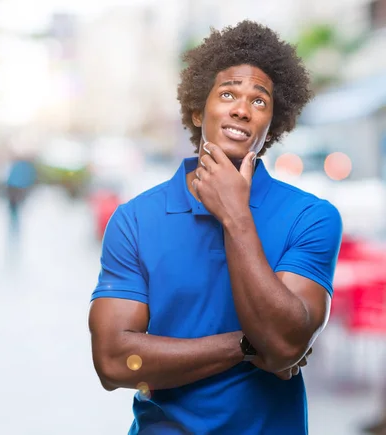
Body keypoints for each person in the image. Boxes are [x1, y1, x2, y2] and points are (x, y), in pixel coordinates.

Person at [88, 20, 342, 434]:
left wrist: (236, 216)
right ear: (196, 110)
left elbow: (282, 347)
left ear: (272, 125)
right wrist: (245, 345)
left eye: (259, 101)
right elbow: (115, 362)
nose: (242, 109)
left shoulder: (311, 217)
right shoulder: (134, 220)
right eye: (228, 94)